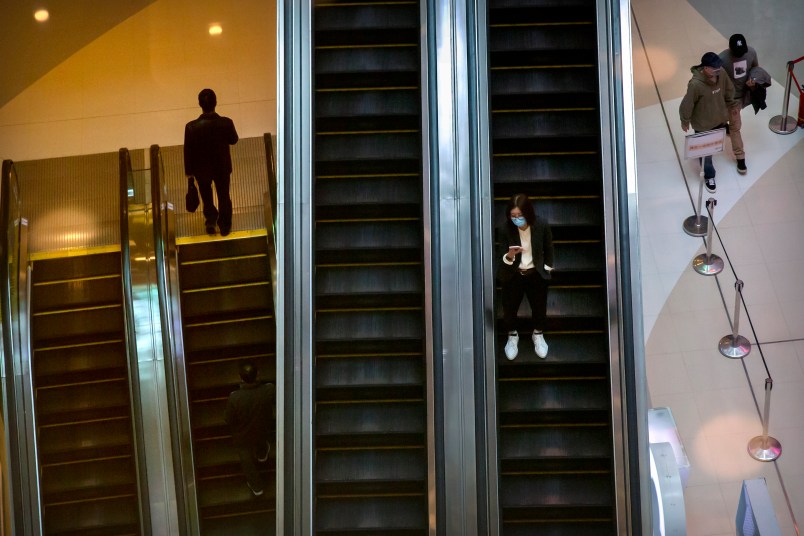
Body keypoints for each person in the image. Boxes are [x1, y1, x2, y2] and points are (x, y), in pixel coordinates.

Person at [497, 193, 554, 360]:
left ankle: (538, 334)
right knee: (509, 309)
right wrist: (510, 255)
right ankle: (512, 337)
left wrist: (548, 268)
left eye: (519, 215)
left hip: (535, 273)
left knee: (539, 308)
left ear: (527, 213)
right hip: (513, 274)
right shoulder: (505, 229)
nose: (516, 219)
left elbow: (548, 247)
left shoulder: (541, 224)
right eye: (513, 216)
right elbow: (502, 256)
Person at [679, 52, 737, 194]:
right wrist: (684, 120)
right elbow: (687, 104)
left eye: (719, 67)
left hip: (719, 119)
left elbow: (729, 90)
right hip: (703, 124)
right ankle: (709, 176)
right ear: (705, 68)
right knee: (707, 154)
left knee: (713, 147)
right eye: (714, 68)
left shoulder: (721, 73)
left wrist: (732, 105)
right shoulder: (695, 84)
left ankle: (700, 154)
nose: (718, 70)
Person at [184, 88, 239, 236]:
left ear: (199, 104)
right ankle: (225, 225)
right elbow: (234, 140)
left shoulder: (191, 127)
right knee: (224, 196)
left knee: (206, 197)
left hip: (201, 170)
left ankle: (210, 221)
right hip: (222, 167)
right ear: (216, 102)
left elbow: (188, 152)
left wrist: (189, 174)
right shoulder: (226, 123)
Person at [224, 360, 275, 496]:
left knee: (246, 461)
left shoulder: (234, 398)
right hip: (263, 430)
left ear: (241, 378)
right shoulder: (269, 389)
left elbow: (228, 419)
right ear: (257, 375)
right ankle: (262, 453)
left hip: (243, 436)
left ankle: (257, 487)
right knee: (261, 437)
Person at [719, 34, 759, 175]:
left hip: (743, 95)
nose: (740, 55)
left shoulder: (751, 52)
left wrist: (753, 80)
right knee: (736, 127)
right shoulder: (722, 59)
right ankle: (740, 157)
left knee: (732, 123)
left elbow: (755, 69)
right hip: (731, 99)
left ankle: (725, 125)